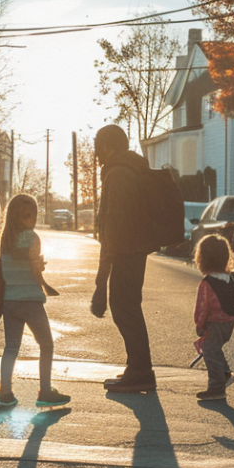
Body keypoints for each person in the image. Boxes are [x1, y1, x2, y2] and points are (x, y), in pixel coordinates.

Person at [90, 124, 158, 393]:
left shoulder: (117, 174)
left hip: (125, 251)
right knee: (128, 307)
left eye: (98, 149)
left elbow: (113, 225)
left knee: (124, 309)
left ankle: (140, 370)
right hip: (134, 250)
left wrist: (100, 282)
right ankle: (138, 368)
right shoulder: (132, 169)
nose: (97, 156)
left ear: (107, 147)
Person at [0, 194, 70, 410]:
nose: (33, 219)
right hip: (31, 301)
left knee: (11, 347)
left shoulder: (5, 238)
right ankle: (45, 391)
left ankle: (5, 391)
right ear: (22, 217)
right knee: (46, 344)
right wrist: (40, 268)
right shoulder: (32, 238)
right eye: (30, 215)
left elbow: (10, 266)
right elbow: (34, 270)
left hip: (9, 300)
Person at [192, 234, 234, 401]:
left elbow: (202, 308)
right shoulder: (228, 279)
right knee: (214, 348)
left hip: (215, 322)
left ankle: (216, 386)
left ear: (202, 258)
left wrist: (200, 325)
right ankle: (225, 374)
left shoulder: (207, 283)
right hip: (229, 320)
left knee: (210, 350)